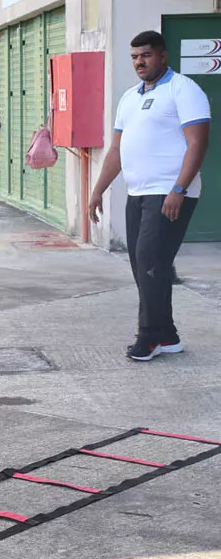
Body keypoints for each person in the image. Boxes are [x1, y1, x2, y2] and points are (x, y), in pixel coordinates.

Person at [89, 30, 210, 362]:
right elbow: (116, 149)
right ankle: (167, 335)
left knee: (150, 262)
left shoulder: (184, 90)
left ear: (163, 56)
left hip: (170, 193)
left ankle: (149, 337)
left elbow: (197, 144)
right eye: (134, 57)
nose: (139, 62)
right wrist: (98, 189)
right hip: (138, 193)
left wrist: (179, 189)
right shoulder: (129, 97)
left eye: (146, 55)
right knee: (144, 266)